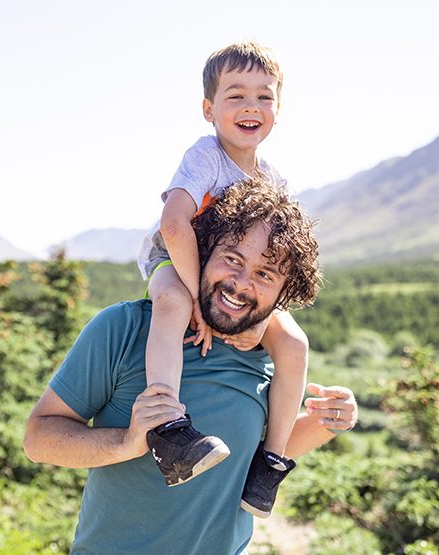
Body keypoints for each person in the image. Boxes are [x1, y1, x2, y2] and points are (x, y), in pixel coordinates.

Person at [24, 178, 358, 554]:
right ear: (202, 252)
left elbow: (250, 460)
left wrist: (327, 420)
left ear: (285, 293)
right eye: (232, 259)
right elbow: (38, 440)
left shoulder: (271, 359)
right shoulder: (125, 328)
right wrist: (125, 443)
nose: (241, 283)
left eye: (265, 274)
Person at [135, 41, 309, 516]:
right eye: (236, 96)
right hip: (175, 259)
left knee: (293, 345)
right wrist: (195, 296)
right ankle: (169, 431)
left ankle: (269, 465)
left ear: (279, 107)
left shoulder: (273, 180)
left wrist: (262, 316)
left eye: (264, 96)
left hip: (231, 280)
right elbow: (174, 226)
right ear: (209, 109)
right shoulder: (206, 155)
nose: (251, 107)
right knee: (170, 304)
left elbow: (279, 260)